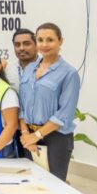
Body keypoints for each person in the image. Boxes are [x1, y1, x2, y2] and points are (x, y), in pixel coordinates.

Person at [18, 23, 80, 181]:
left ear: (60, 41)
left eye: (50, 40)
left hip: (55, 138)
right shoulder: (29, 69)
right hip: (29, 136)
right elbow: (22, 104)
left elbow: (64, 114)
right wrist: (26, 134)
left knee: (52, 185)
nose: (44, 45)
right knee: (29, 183)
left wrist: (37, 135)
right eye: (40, 40)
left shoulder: (69, 73)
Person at [5, 28, 38, 93]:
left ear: (36, 45)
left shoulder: (46, 69)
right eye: (17, 45)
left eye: (26, 44)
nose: (21, 48)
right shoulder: (8, 69)